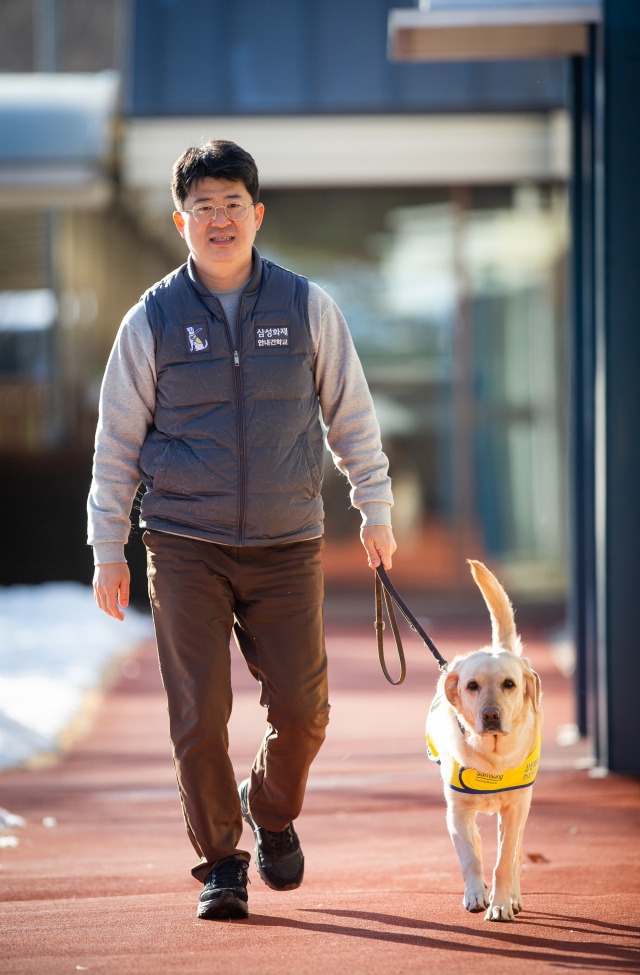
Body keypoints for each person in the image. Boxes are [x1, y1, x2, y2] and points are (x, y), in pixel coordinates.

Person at [88, 140, 396, 921]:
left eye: (232, 205)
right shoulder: (150, 320)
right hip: (184, 541)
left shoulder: (305, 306)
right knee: (197, 715)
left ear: (256, 215)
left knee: (305, 707)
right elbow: (117, 441)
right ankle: (222, 862)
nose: (218, 220)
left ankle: (271, 806)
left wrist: (376, 508)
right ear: (180, 221)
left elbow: (351, 416)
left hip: (287, 541)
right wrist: (107, 549)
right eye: (203, 208)